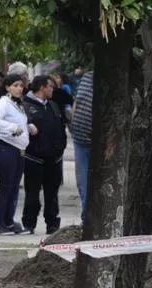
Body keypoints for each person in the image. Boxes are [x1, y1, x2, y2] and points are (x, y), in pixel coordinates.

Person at [22, 76, 66, 235]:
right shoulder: (25, 106)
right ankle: (29, 223)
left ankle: (52, 223)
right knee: (32, 193)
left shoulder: (53, 106)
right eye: (50, 87)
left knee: (52, 194)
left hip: (54, 159)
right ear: (41, 88)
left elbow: (61, 128)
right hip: (34, 158)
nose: (52, 90)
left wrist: (61, 148)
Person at [0, 74, 30, 235]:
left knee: (13, 189)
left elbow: (20, 122)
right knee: (6, 188)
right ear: (7, 87)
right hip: (6, 148)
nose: (19, 88)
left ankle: (9, 221)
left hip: (19, 150)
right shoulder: (4, 102)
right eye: (16, 85)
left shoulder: (17, 104)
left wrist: (28, 127)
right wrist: (12, 128)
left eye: (21, 85)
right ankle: (0, 225)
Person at [70, 70, 93, 224]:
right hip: (80, 138)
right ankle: (86, 217)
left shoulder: (116, 78)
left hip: (99, 141)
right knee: (82, 182)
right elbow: (77, 103)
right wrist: (72, 122)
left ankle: (91, 217)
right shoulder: (87, 78)